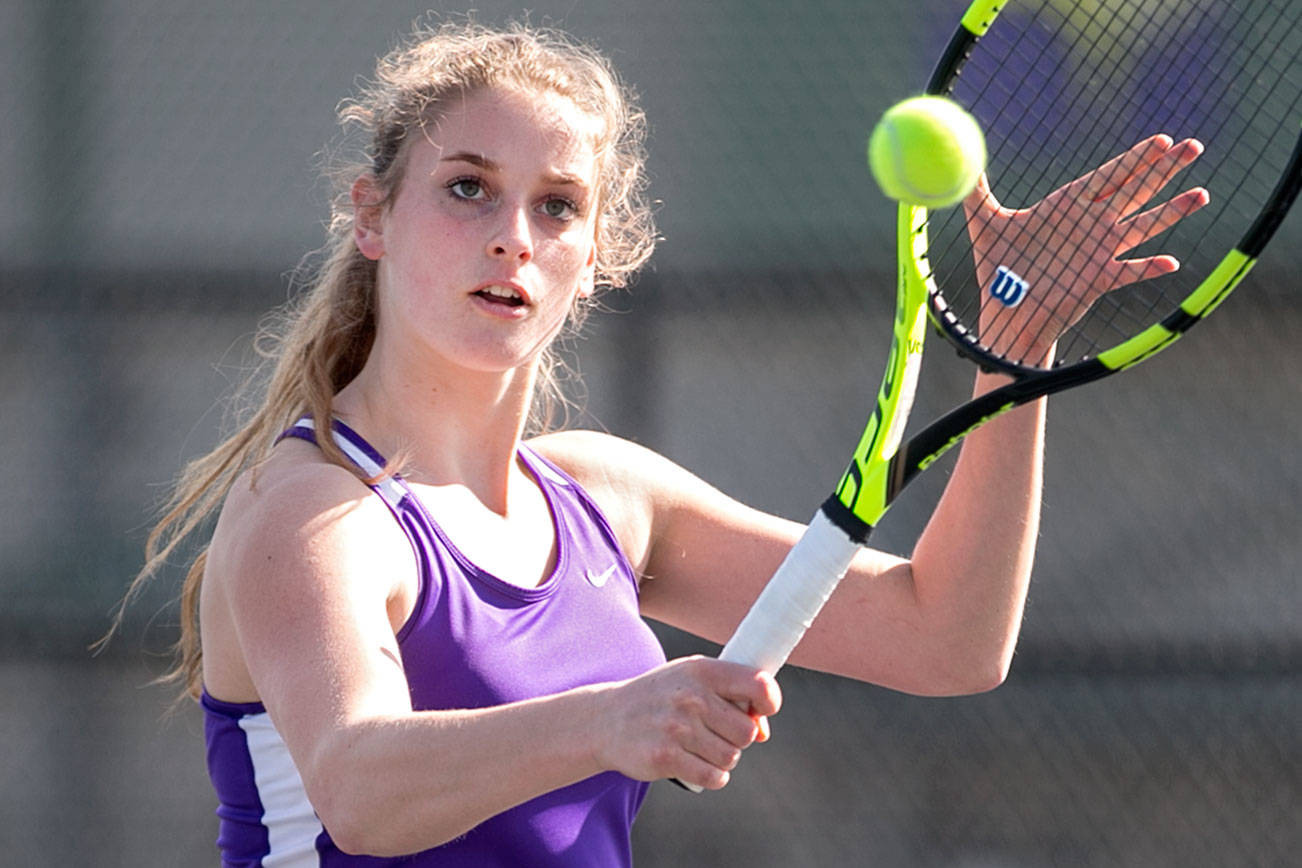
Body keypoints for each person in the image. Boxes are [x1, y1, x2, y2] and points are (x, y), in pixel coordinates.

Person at [113, 18, 1208, 867]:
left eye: (557, 206)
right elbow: (359, 784)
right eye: (467, 188)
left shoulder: (606, 497)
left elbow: (949, 637)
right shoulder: (311, 510)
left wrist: (1014, 353)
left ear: (599, 255)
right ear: (372, 217)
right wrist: (616, 718)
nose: (511, 234)